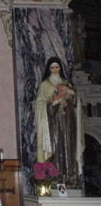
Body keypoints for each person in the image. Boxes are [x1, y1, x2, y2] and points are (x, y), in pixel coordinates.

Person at [35, 57, 84, 186]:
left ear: (60, 68)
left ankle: (69, 178)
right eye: (52, 68)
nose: (55, 70)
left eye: (57, 67)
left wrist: (72, 93)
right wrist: (55, 102)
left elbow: (76, 104)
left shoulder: (67, 83)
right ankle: (55, 177)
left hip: (68, 121)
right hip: (53, 124)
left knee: (68, 147)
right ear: (49, 69)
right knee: (57, 147)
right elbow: (39, 104)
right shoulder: (45, 85)